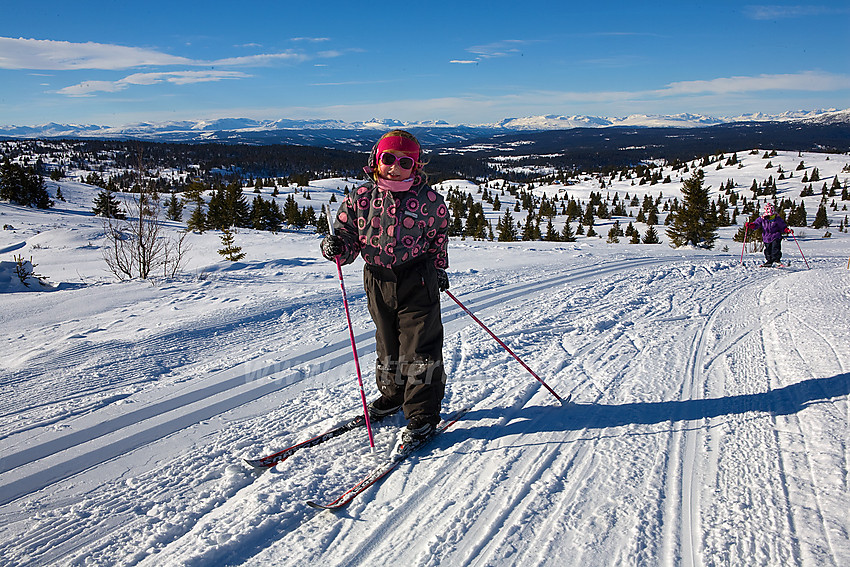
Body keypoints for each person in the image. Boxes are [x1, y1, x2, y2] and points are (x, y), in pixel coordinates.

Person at [320, 130, 451, 444]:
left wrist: (438, 270)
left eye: (405, 162)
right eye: (388, 159)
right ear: (376, 160)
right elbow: (348, 237)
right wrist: (338, 248)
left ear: (415, 167)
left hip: (417, 277)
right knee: (387, 343)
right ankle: (393, 395)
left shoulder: (429, 201)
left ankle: (421, 414)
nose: (395, 167)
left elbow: (438, 238)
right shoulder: (360, 198)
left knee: (419, 347)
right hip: (377, 279)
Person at [746, 203, 792, 267]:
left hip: (776, 236)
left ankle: (776, 260)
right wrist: (751, 225)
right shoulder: (762, 219)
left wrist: (787, 230)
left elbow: (783, 227)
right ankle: (769, 261)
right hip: (766, 237)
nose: (770, 216)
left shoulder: (777, 219)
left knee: (775, 248)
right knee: (767, 250)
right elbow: (756, 224)